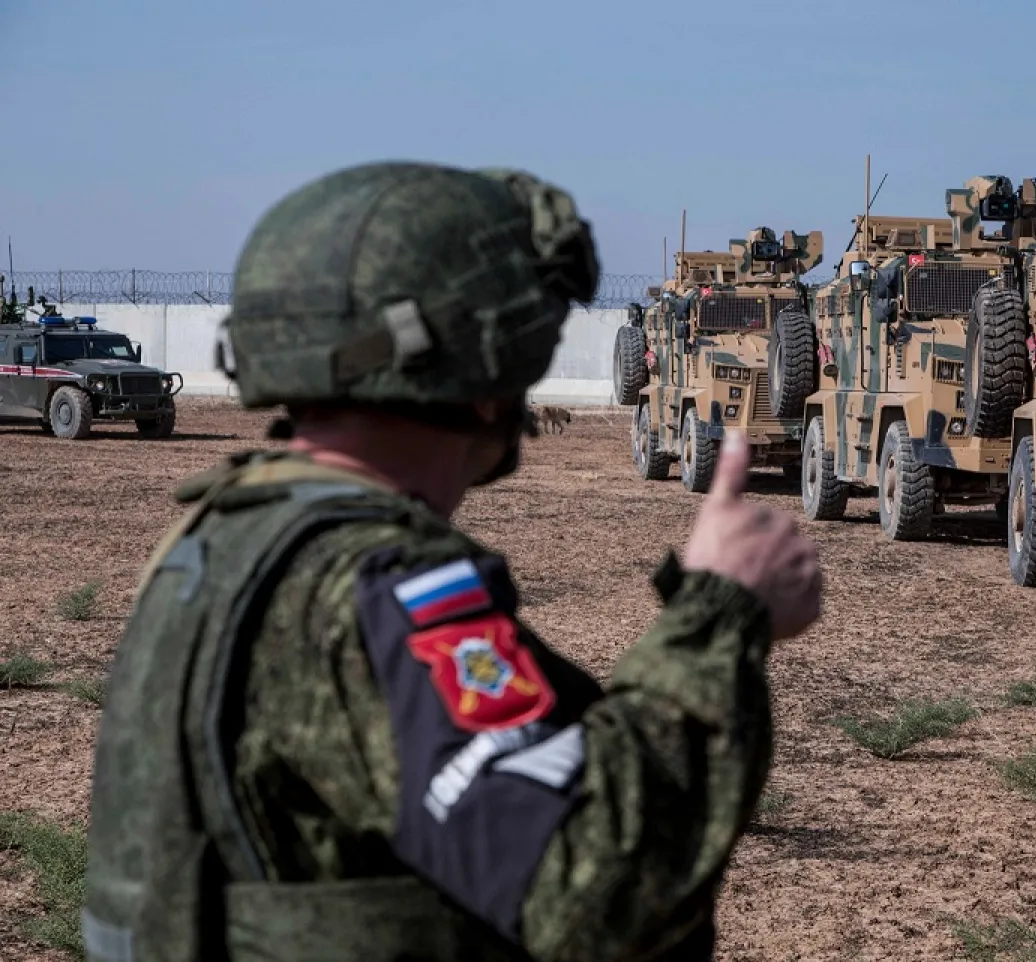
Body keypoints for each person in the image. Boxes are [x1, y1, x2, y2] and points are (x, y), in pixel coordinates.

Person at [81, 160, 823, 962]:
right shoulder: (376, 586)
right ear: (487, 364)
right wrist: (720, 612)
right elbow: (595, 891)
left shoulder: (221, 536)